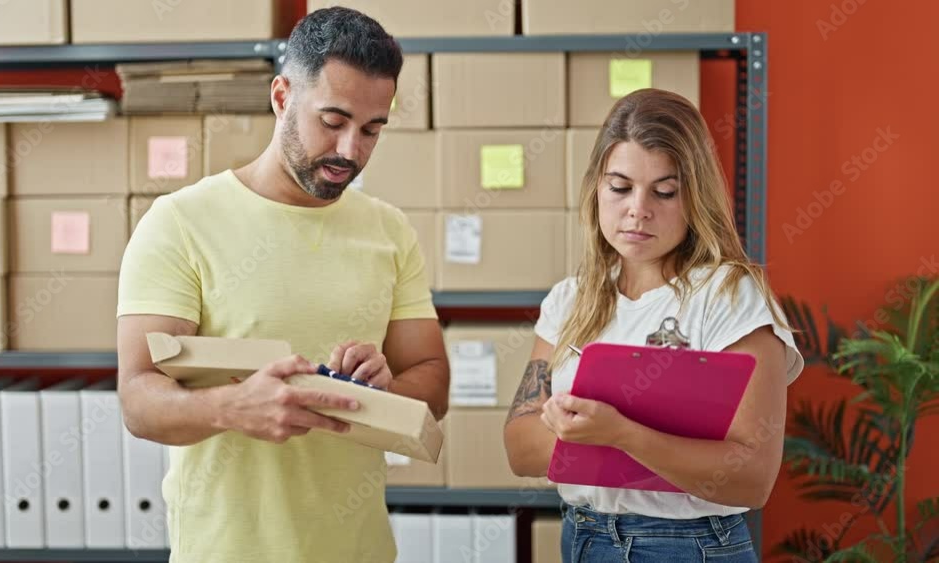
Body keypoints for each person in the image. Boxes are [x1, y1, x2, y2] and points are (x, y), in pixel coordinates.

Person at [114, 8, 449, 563]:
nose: (350, 151)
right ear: (280, 97)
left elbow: (433, 386)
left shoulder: (388, 229)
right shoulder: (179, 222)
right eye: (333, 120)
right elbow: (138, 400)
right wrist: (234, 407)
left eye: (371, 130)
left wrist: (384, 389)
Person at [503, 88, 804, 562]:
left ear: (695, 197)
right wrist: (590, 435)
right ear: (596, 190)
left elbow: (752, 475)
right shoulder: (569, 299)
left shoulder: (730, 296)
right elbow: (520, 449)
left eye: (664, 191)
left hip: (689, 545)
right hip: (583, 538)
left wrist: (619, 433)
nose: (637, 209)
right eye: (619, 187)